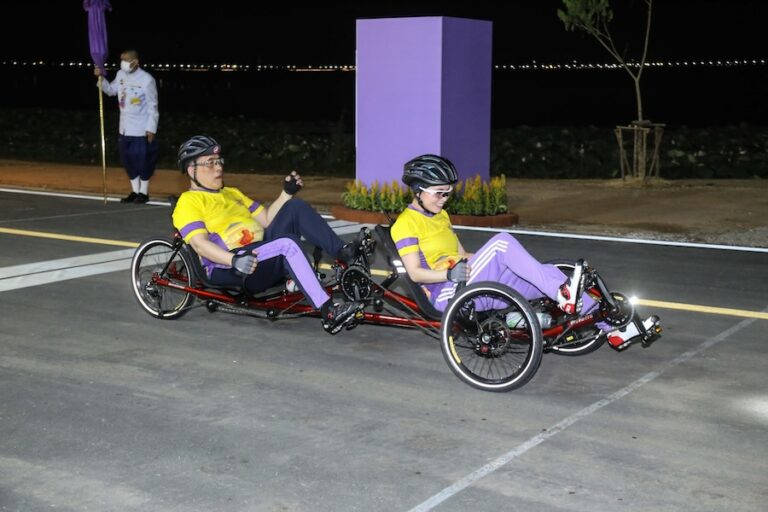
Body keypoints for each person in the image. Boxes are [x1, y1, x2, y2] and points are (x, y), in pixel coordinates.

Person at [390, 154, 659, 350]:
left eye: (448, 194)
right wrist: (448, 275)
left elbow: (465, 255)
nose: (443, 199)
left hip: (470, 282)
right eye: (439, 194)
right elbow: (414, 274)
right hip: (446, 293)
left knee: (550, 273)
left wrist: (502, 265)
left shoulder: (441, 215)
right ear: (417, 191)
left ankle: (616, 330)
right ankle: (561, 295)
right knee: (502, 241)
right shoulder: (405, 224)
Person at [172, 135, 363, 334]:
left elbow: (266, 220)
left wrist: (286, 193)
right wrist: (234, 259)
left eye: (219, 161)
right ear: (191, 169)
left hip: (261, 254)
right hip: (235, 265)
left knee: (294, 206)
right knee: (287, 244)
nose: (218, 168)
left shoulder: (232, 193)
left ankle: (343, 252)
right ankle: (329, 312)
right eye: (210, 163)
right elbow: (199, 244)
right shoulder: (188, 202)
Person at [94, 49, 159, 204]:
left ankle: (143, 193)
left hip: (141, 129)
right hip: (124, 128)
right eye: (121, 59)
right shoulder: (121, 75)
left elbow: (153, 106)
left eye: (126, 59)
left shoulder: (147, 79)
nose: (122, 62)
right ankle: (134, 191)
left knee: (142, 162)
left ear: (135, 62)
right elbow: (111, 91)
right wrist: (101, 78)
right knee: (127, 161)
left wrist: (151, 128)